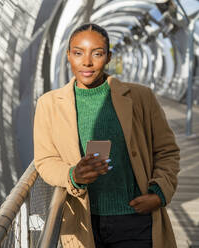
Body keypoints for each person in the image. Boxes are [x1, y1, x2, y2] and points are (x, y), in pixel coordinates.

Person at [33, 23, 180, 248]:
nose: (87, 62)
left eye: (97, 53)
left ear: (109, 57)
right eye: (78, 53)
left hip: (135, 219)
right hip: (82, 222)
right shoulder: (49, 104)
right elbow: (45, 161)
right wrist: (73, 175)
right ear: (68, 55)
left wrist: (159, 192)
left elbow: (167, 150)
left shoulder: (141, 97)